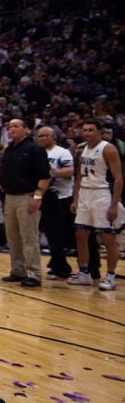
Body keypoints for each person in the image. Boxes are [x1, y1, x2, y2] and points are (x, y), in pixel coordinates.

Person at [69, 119, 123, 290]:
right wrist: (75, 199)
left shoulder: (108, 148)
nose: (87, 133)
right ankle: (84, 273)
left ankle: (110, 276)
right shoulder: (81, 148)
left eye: (91, 130)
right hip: (85, 193)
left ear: (100, 131)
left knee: (107, 237)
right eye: (84, 130)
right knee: (81, 233)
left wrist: (114, 204)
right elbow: (79, 176)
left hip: (101, 194)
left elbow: (119, 178)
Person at [0, 119, 51, 288]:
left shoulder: (35, 149)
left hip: (27, 196)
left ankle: (34, 273)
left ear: (26, 130)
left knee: (29, 236)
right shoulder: (9, 149)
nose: (11, 129)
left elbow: (45, 175)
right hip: (10, 197)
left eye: (16, 126)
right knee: (12, 237)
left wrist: (37, 197)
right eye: (9, 126)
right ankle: (18, 270)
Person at [35, 126, 75, 279]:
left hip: (60, 196)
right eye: (40, 136)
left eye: (45, 135)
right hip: (42, 195)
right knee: (46, 231)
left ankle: (62, 266)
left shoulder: (62, 152)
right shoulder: (38, 152)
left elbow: (71, 170)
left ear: (53, 137)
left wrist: (54, 172)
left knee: (55, 233)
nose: (42, 138)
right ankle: (57, 263)